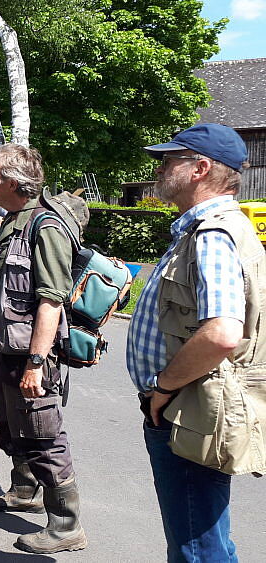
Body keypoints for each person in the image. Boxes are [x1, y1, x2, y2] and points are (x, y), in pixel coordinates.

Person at [129, 123, 259, 562]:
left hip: (187, 406)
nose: (160, 168)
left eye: (169, 160)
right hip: (189, 404)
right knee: (205, 538)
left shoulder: (212, 234)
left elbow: (222, 333)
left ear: (200, 168)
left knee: (197, 549)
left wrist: (163, 388)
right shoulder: (209, 229)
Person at [0, 144, 85, 554]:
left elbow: (51, 301)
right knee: (10, 426)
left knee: (43, 435)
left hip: (30, 353)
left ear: (10, 182)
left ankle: (66, 524)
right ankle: (24, 490)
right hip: (5, 345)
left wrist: (36, 363)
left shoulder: (46, 226)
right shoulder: (14, 221)